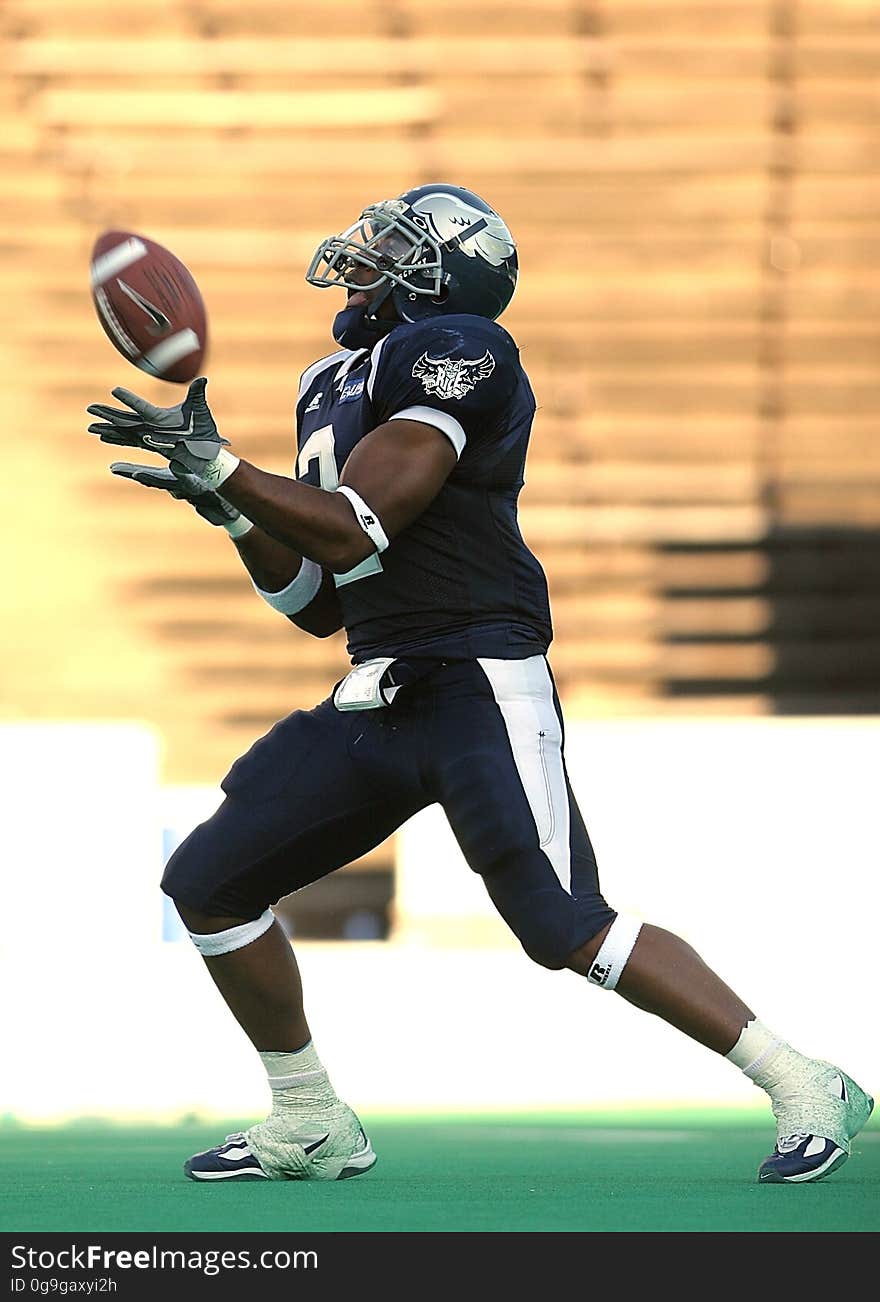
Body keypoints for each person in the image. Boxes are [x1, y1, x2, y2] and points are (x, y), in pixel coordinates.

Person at [88, 182, 872, 1186]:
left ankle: (804, 1080)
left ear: (442, 273)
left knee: (562, 924)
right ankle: (310, 1117)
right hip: (380, 684)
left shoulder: (460, 348)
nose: (363, 244)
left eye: (395, 238)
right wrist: (225, 504)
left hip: (473, 675)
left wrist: (229, 468)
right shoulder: (329, 378)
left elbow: (360, 522)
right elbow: (318, 598)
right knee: (208, 882)